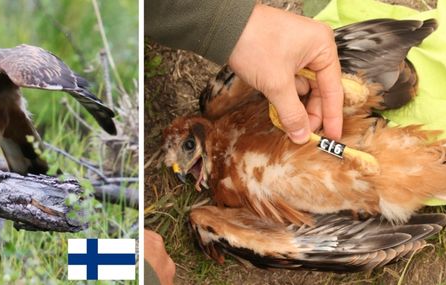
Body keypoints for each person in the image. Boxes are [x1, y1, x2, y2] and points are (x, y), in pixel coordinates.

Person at [145, 1, 345, 283]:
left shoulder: (218, 106)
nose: (183, 170)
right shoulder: (216, 211)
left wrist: (232, 24)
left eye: (188, 148)